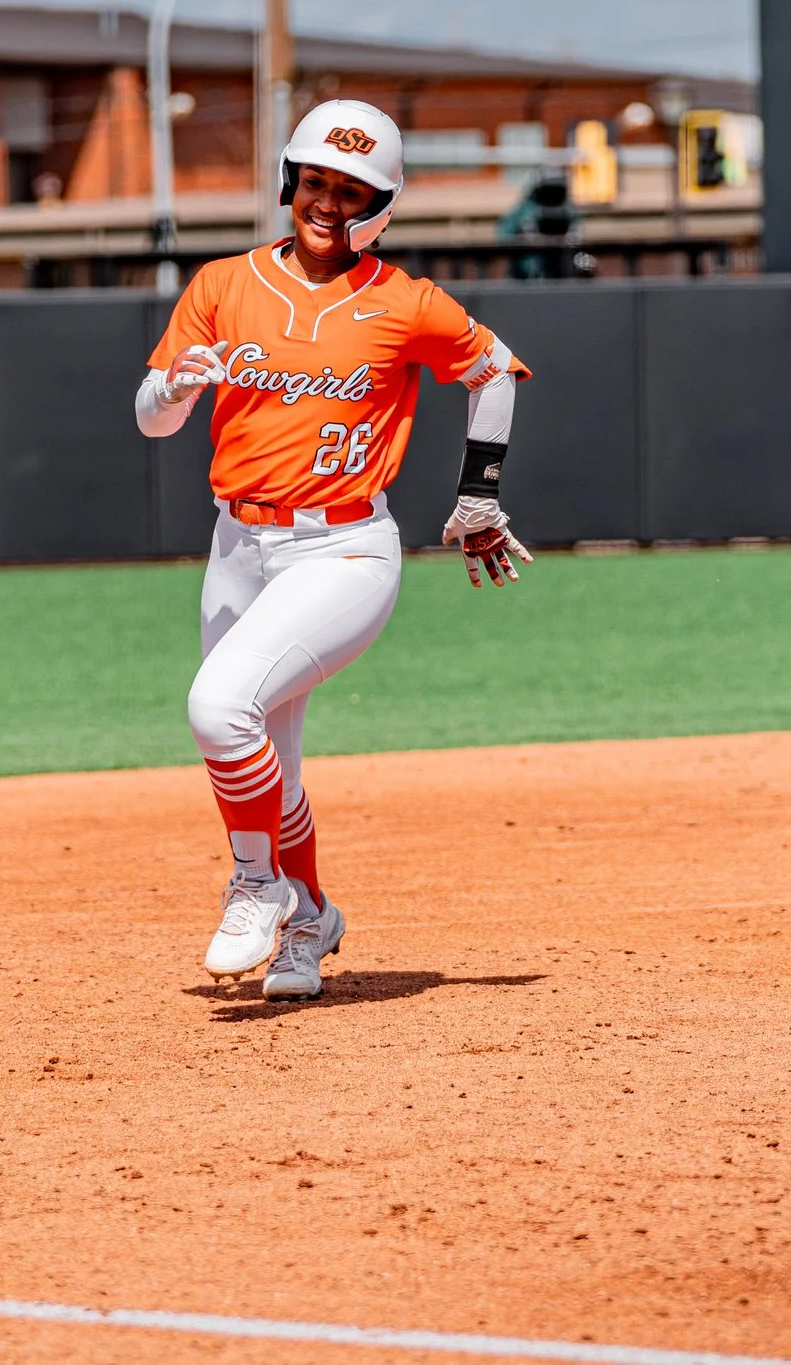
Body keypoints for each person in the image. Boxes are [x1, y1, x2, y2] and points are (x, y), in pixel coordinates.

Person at [136, 99, 534, 1002]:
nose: (327, 202)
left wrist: (480, 493)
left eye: (351, 190)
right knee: (263, 751)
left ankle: (255, 884)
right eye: (315, 181)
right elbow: (153, 422)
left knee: (217, 706)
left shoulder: (405, 302)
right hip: (237, 542)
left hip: (344, 550)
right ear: (291, 181)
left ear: (381, 203)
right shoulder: (222, 285)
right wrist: (171, 387)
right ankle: (309, 915)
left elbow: (495, 369)